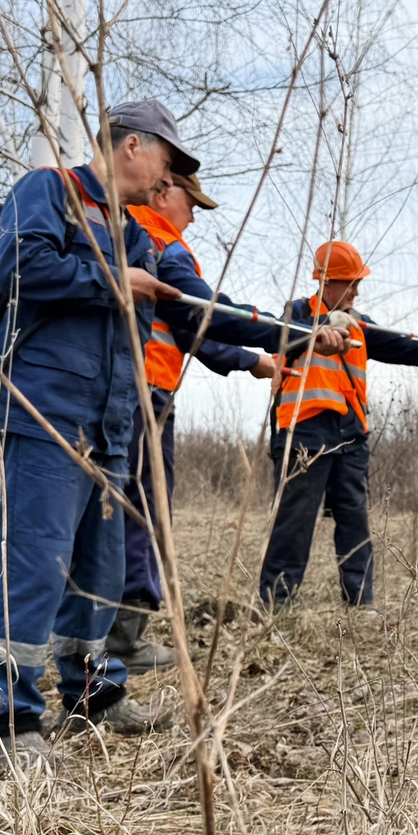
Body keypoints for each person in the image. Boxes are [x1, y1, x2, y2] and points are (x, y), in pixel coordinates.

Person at [0, 99, 195, 768]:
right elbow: (21, 269)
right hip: (45, 415)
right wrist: (110, 280)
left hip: (111, 426)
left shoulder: (141, 232)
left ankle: (95, 698)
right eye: (167, 159)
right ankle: (7, 725)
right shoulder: (48, 191)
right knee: (30, 568)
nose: (170, 178)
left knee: (100, 573)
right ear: (131, 145)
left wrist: (285, 341)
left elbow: (203, 312)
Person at [107, 172, 287, 671]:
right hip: (144, 400)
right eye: (191, 205)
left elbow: (190, 330)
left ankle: (105, 639)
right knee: (143, 514)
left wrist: (253, 361)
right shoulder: (160, 241)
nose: (194, 218)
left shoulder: (113, 232)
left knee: (112, 514)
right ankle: (122, 642)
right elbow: (205, 316)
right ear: (163, 193)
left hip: (118, 394)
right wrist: (288, 336)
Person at [259, 240, 418, 609]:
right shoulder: (294, 316)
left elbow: (410, 346)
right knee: (294, 522)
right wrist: (323, 324)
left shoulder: (358, 326)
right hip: (303, 433)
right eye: (349, 282)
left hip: (350, 434)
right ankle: (277, 604)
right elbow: (284, 338)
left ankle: (361, 602)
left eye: (357, 283)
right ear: (325, 283)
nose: (355, 290)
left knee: (354, 521)